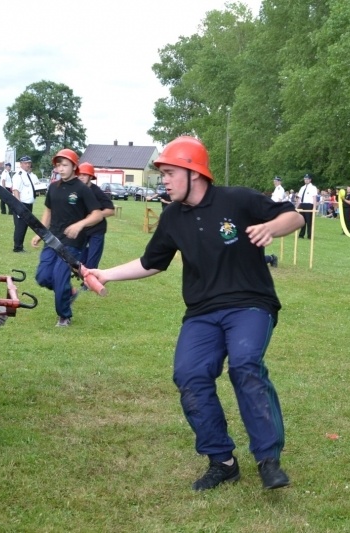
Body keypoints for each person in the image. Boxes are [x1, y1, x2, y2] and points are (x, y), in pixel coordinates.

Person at [89, 136, 302, 491]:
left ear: (194, 173)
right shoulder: (172, 217)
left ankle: (268, 459)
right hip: (202, 311)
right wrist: (105, 273)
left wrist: (270, 228)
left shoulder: (238, 199)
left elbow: (293, 217)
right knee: (189, 375)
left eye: (170, 173)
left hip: (251, 303)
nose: (165, 181)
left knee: (245, 364)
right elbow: (150, 263)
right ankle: (222, 460)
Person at [31, 149, 103, 327]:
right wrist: (40, 233)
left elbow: (97, 215)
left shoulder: (82, 189)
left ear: (74, 166)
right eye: (58, 165)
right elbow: (48, 210)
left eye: (65, 165)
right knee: (43, 277)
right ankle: (68, 293)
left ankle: (64, 316)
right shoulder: (53, 187)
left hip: (72, 243)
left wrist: (80, 225)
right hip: (51, 239)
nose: (61, 169)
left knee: (60, 276)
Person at [76, 162, 115, 278]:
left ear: (90, 177)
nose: (81, 177)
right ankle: (85, 276)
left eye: (84, 174)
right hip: (83, 229)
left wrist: (96, 215)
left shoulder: (97, 192)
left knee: (92, 258)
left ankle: (89, 283)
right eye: (79, 174)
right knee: (80, 257)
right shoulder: (76, 190)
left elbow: (111, 210)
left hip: (97, 230)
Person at [11, 156, 38, 253]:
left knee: (24, 226)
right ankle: (17, 247)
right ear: (21, 164)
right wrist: (19, 206)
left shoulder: (27, 175)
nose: (28, 165)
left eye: (29, 163)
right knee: (20, 226)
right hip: (22, 204)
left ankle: (19, 246)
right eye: (26, 163)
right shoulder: (19, 175)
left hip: (28, 204)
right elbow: (16, 190)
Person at [296, 174, 317, 238]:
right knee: (302, 220)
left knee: (309, 221)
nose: (306, 180)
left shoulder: (313, 188)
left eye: (307, 179)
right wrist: (297, 207)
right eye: (305, 179)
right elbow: (299, 198)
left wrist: (314, 207)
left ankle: (310, 235)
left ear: (310, 180)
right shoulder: (302, 188)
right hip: (302, 204)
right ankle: (301, 234)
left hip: (309, 205)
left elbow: (314, 198)